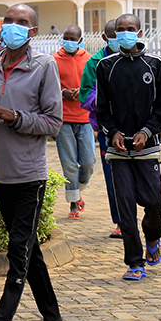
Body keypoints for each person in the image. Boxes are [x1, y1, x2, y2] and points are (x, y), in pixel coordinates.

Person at [0, 3, 68, 321]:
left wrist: (7, 114)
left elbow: (53, 123)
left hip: (30, 177)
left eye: (22, 22)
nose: (13, 27)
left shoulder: (44, 67)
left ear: (33, 31)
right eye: (8, 21)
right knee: (30, 251)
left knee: (18, 250)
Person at [95, 13, 161, 282]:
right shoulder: (105, 67)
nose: (125, 34)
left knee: (154, 202)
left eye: (130, 29)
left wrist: (146, 132)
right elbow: (101, 110)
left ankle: (153, 237)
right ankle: (135, 263)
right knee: (125, 208)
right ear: (114, 34)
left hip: (147, 149)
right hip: (118, 151)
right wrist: (112, 133)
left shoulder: (154, 65)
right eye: (120, 30)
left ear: (139, 32)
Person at [80, 20, 123, 238]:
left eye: (123, 33)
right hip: (107, 130)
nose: (119, 38)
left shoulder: (143, 60)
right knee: (113, 175)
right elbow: (85, 94)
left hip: (137, 129)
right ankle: (121, 221)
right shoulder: (95, 63)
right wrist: (104, 102)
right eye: (114, 35)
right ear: (105, 38)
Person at [53, 24, 94, 219]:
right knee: (69, 164)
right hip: (62, 119)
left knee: (88, 162)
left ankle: (77, 191)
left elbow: (95, 86)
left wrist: (82, 92)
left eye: (73, 39)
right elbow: (47, 88)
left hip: (84, 118)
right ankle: (73, 204)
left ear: (80, 41)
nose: (68, 42)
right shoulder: (53, 61)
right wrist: (63, 93)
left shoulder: (89, 60)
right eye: (65, 38)